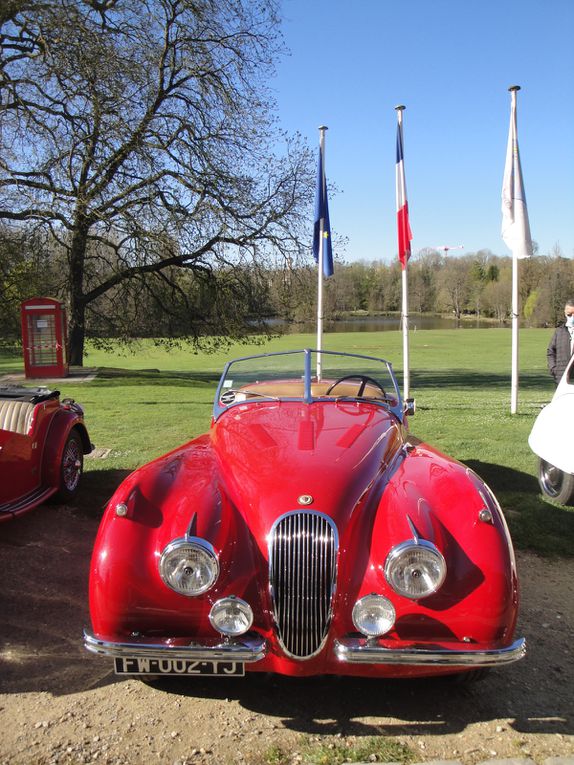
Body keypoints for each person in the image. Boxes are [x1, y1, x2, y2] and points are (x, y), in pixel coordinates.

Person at [547, 299, 574, 384]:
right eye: (569, 315)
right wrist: (554, 369)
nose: (572, 317)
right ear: (565, 313)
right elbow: (550, 352)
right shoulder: (559, 332)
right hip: (561, 379)